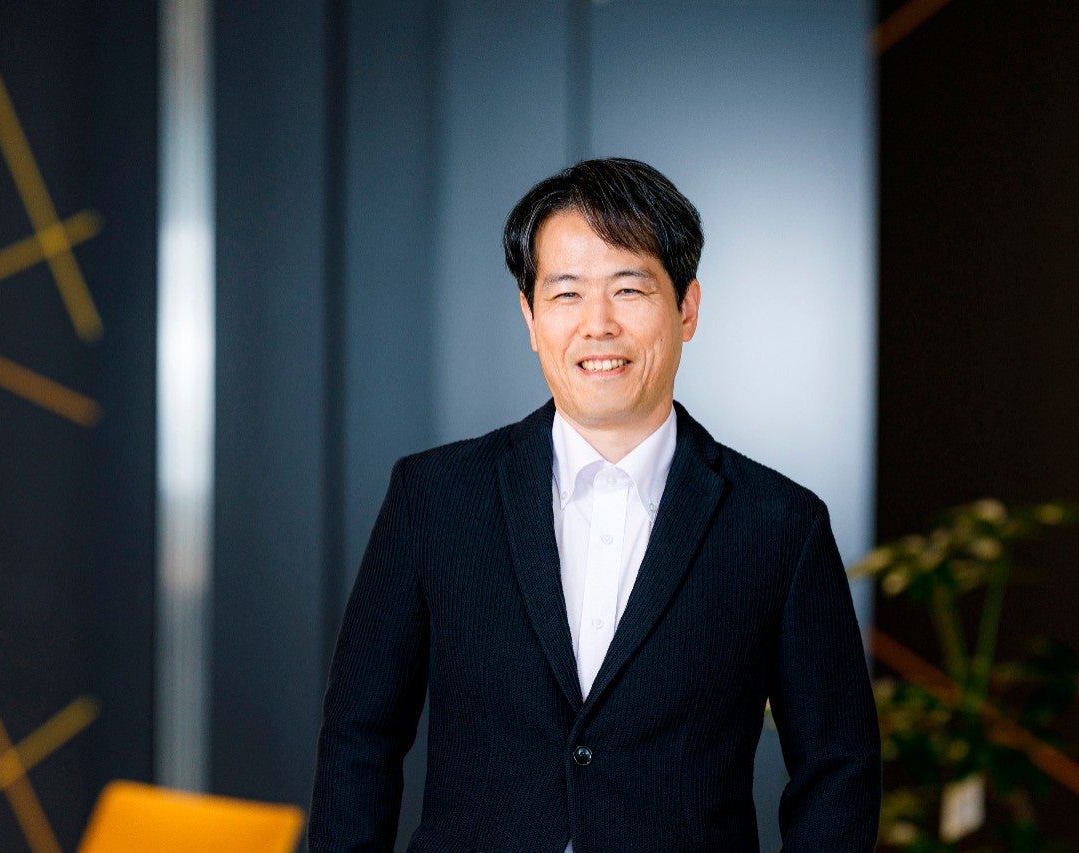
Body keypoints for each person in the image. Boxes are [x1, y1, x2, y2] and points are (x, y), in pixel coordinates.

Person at [309, 158, 880, 851]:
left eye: (629, 289)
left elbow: (839, 767)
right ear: (530, 316)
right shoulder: (433, 498)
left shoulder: (779, 524)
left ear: (687, 308)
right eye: (567, 293)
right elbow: (360, 737)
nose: (598, 324)